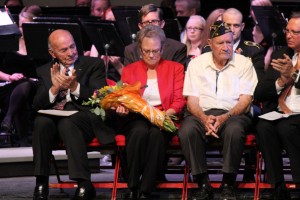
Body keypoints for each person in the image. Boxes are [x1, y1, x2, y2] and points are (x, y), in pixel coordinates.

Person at [178, 20, 258, 200]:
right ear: (210, 44)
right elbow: (192, 100)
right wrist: (204, 118)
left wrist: (225, 117)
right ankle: (203, 184)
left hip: (234, 113)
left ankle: (228, 184)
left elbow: (246, 100)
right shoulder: (196, 64)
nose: (226, 47)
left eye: (229, 42)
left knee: (235, 130)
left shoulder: (244, 63)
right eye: (221, 43)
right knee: (187, 130)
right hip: (201, 112)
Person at [32, 29, 115, 200]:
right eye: (64, 50)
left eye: (73, 47)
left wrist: (75, 87)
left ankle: (84, 183)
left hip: (85, 120)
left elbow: (99, 98)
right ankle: (41, 182)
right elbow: (36, 105)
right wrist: (54, 88)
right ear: (52, 53)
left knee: (68, 122)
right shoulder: (44, 70)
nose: (71, 53)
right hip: (55, 121)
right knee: (41, 122)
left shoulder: (93, 65)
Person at [115, 24, 186, 199]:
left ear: (162, 48)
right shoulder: (130, 70)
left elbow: (179, 100)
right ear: (140, 50)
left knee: (156, 135)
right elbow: (125, 97)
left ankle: (145, 189)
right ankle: (132, 186)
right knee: (138, 132)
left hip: (164, 115)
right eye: (147, 51)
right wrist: (122, 106)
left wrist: (163, 115)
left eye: (155, 51)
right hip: (137, 116)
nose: (151, 55)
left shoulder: (175, 68)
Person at [255, 11, 300, 200]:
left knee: (286, 128)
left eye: (295, 32)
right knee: (263, 126)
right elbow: (260, 92)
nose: (288, 35)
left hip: (297, 114)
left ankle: (298, 183)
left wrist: (295, 75)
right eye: (287, 30)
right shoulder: (281, 54)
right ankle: (278, 186)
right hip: (282, 111)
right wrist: (281, 81)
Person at [0, 5, 42, 146]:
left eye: (26, 26)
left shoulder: (41, 45)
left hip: (34, 86)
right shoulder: (9, 42)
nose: (22, 30)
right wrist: (9, 77)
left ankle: (9, 120)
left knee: (26, 85)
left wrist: (29, 79)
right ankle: (22, 139)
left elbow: (45, 71)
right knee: (20, 92)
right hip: (10, 85)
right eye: (20, 26)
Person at [250, 0, 274, 71]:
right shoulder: (245, 33)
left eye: (259, 9)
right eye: (252, 9)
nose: (255, 12)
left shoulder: (276, 36)